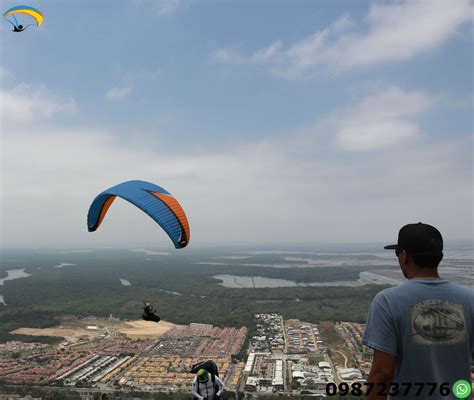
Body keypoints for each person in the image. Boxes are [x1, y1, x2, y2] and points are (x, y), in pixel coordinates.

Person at [362, 222, 473, 399]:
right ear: (439, 257)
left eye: (397, 253)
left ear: (405, 256)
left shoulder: (387, 301)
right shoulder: (470, 299)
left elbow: (382, 373)